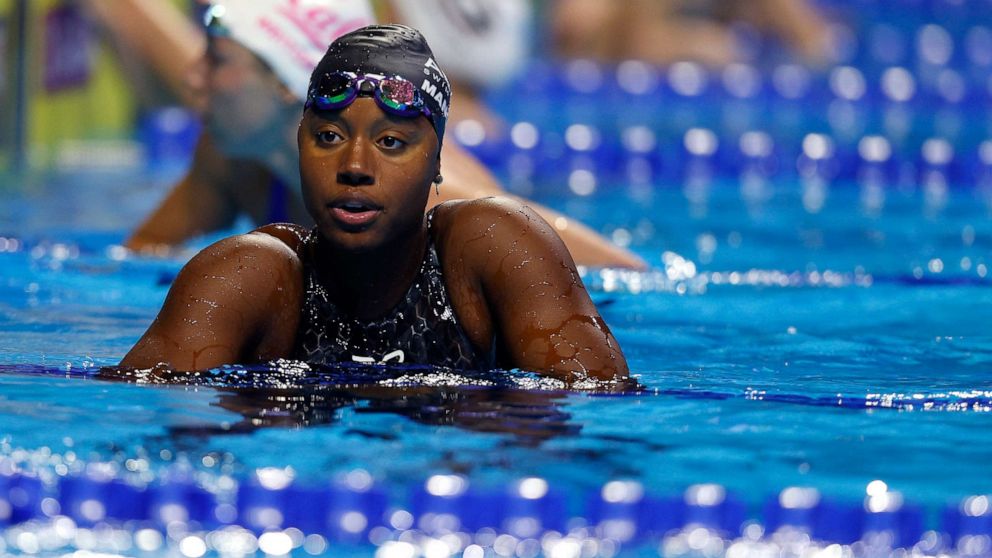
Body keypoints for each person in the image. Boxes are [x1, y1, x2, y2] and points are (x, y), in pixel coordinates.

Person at [119, 24, 629, 384]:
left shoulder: (490, 245)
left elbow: (595, 419)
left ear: (436, 163)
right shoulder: (247, 274)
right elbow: (140, 425)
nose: (355, 165)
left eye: (391, 143)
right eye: (328, 135)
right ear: (299, 146)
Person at [95, 0, 644, 269]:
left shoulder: (433, 199)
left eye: (216, 60)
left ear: (288, 83)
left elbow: (625, 277)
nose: (192, 77)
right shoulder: (235, 156)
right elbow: (133, 259)